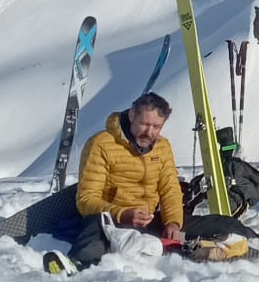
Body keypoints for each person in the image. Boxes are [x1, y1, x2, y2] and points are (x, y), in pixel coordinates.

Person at [70, 91, 184, 268]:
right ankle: (78, 264)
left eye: (156, 127)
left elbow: (170, 190)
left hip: (148, 219)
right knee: (96, 228)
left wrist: (173, 223)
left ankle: (211, 250)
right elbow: (86, 199)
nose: (149, 132)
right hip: (112, 219)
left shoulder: (162, 147)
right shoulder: (101, 144)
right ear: (132, 115)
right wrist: (122, 214)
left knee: (215, 226)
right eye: (144, 124)